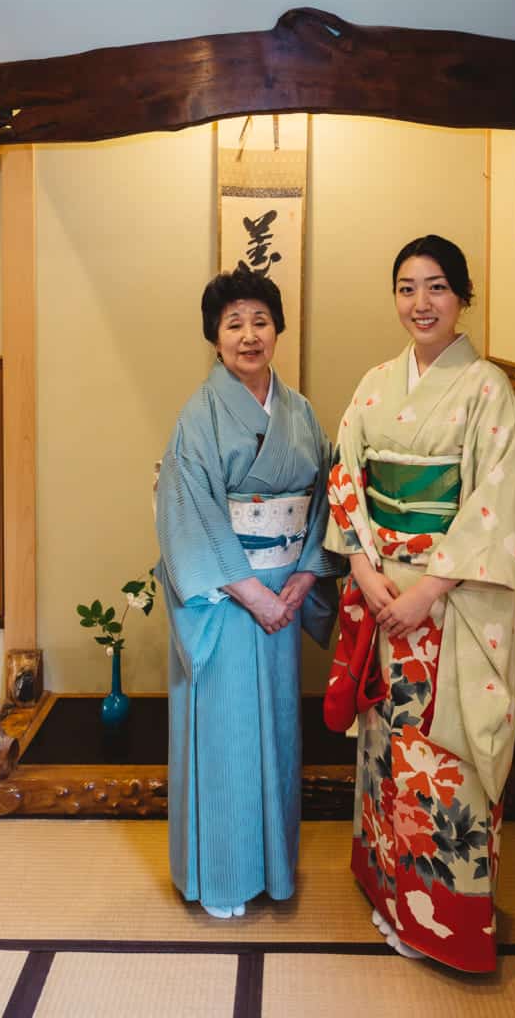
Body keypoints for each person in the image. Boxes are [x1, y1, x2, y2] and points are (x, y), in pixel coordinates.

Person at [324, 234, 515, 972]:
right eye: (407, 288)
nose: (421, 302)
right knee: (387, 753)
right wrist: (363, 567)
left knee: (445, 760)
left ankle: (446, 924)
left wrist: (427, 590)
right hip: (383, 596)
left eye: (437, 287)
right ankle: (391, 899)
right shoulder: (376, 383)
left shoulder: (487, 388)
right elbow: (345, 476)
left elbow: (494, 506)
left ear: (463, 297)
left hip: (448, 606)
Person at [155, 266, 341, 919]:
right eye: (233, 323)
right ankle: (223, 876)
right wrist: (254, 594)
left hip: (285, 593)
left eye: (260, 320)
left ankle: (272, 870)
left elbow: (327, 499)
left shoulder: (300, 412)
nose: (248, 335)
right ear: (215, 337)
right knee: (226, 734)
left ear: (277, 329)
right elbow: (189, 514)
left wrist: (304, 577)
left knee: (279, 735)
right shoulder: (198, 417)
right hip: (227, 598)